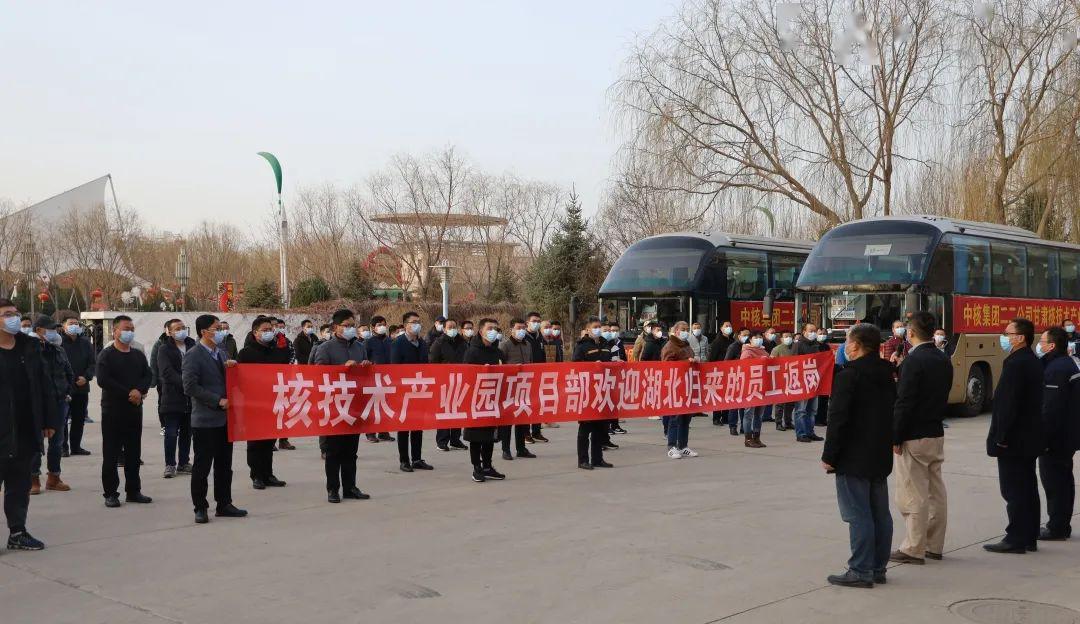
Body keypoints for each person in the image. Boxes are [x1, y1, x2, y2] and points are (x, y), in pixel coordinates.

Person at [821, 323, 896, 588]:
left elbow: (838, 419)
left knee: (858, 514)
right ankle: (877, 567)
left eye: (847, 341)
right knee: (879, 513)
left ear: (855, 345)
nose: (845, 347)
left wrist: (829, 455)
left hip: (853, 455)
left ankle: (861, 570)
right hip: (879, 453)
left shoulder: (848, 375)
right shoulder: (888, 372)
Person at [890, 311, 953, 565]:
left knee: (912, 492)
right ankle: (934, 544)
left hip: (913, 434)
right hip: (935, 431)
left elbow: (904, 402)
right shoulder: (942, 358)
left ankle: (914, 547)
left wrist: (896, 435)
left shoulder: (913, 361)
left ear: (911, 333)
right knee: (935, 491)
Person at [0, 299, 60, 551]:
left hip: (25, 426)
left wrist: (48, 420)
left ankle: (17, 532)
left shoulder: (30, 346)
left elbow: (45, 385)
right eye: (6, 314)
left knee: (19, 484)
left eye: (15, 313)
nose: (13, 318)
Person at [984, 318, 1045, 554]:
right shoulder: (1031, 361)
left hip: (1014, 439)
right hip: (1028, 437)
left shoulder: (1017, 364)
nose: (1004, 337)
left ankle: (1016, 537)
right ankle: (1029, 535)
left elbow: (1008, 405)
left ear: (1020, 338)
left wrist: (1001, 437)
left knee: (1014, 489)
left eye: (1007, 333)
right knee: (1027, 486)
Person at [182, 314, 247, 524]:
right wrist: (217, 401)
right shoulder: (193, 355)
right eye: (216, 328)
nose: (219, 332)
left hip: (225, 420)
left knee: (224, 464)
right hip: (205, 420)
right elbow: (190, 387)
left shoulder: (222, 352)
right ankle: (200, 507)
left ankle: (224, 503)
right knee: (202, 466)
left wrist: (234, 370)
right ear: (204, 332)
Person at [314, 309, 373, 501]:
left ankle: (350, 487)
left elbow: (365, 377)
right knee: (333, 452)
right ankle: (332, 489)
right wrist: (341, 369)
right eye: (345, 326)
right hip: (334, 406)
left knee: (351, 451)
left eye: (352, 325)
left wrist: (366, 367)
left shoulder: (359, 347)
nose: (349, 329)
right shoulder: (325, 348)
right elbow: (318, 377)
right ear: (335, 327)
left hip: (354, 405)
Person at [96, 315, 152, 508]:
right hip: (113, 411)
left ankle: (133, 491)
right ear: (115, 331)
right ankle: (111, 493)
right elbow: (103, 380)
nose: (129, 332)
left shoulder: (137, 354)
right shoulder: (107, 355)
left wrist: (140, 390)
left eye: (132, 328)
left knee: (133, 453)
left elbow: (148, 374)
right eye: (125, 328)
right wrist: (129, 392)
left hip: (134, 411)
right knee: (111, 454)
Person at [1036, 327, 1080, 541]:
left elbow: (1050, 409)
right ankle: (1061, 524)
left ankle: (1057, 527)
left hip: (1057, 437)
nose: (1040, 344)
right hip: (1067, 434)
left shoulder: (1056, 369)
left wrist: (1043, 437)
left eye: (1042, 341)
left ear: (1052, 345)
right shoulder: (1065, 363)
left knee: (1055, 481)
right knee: (1063, 479)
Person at [238, 316, 291, 490]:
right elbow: (240, 380)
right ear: (255, 332)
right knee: (255, 442)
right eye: (265, 330)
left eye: (271, 329)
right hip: (254, 403)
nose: (270, 332)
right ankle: (256, 475)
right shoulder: (245, 353)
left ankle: (268, 474)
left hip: (273, 401)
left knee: (269, 441)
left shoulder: (277, 352)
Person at [28, 315, 73, 494]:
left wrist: (68, 392)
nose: (54, 332)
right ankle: (33, 479)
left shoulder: (58, 350)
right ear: (39, 330)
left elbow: (69, 373)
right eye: (50, 329)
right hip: (37, 404)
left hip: (59, 402)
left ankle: (54, 477)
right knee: (36, 441)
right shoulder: (29, 351)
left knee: (57, 442)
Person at [391, 311, 433, 472]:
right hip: (404, 391)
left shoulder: (422, 343)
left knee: (417, 426)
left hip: (419, 390)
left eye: (418, 321)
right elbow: (394, 368)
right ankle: (404, 460)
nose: (417, 324)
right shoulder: (398, 343)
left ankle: (417, 458)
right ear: (405, 325)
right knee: (404, 427)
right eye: (413, 322)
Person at [463, 318, 505, 482]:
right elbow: (466, 376)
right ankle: (477, 467)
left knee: (490, 436)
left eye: (495, 328)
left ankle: (488, 466)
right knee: (476, 436)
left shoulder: (497, 352)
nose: (493, 331)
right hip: (476, 400)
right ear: (481, 331)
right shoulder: (472, 351)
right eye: (489, 328)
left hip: (493, 399)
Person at [156, 318, 195, 479]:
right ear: (170, 332)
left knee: (187, 433)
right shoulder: (164, 349)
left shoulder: (193, 345)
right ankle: (170, 464)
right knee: (171, 433)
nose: (181, 330)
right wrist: (187, 384)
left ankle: (184, 463)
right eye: (177, 328)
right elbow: (166, 373)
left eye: (183, 327)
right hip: (172, 397)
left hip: (191, 399)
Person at [573, 318, 614, 470]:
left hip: (603, 391)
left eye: (599, 327)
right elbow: (576, 367)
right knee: (585, 428)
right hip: (587, 392)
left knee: (600, 428)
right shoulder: (582, 346)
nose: (598, 329)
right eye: (595, 327)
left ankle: (597, 459)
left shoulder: (605, 344)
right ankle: (583, 460)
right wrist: (591, 366)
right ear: (588, 330)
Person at [498, 318, 537, 460]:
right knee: (507, 421)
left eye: (523, 328)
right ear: (511, 330)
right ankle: (506, 449)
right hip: (509, 387)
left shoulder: (528, 345)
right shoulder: (504, 345)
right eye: (518, 328)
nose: (521, 330)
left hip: (524, 387)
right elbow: (500, 367)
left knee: (522, 419)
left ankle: (521, 448)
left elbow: (531, 363)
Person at [430, 319, 469, 452]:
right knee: (445, 411)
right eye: (449, 327)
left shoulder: (462, 342)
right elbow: (432, 362)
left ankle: (455, 439)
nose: (452, 329)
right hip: (444, 382)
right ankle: (442, 440)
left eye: (454, 326)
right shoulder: (438, 343)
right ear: (444, 329)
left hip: (460, 381)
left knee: (458, 410)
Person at [58, 313, 94, 456]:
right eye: (71, 323)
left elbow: (92, 364)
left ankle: (76, 446)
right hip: (65, 387)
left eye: (76, 323)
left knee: (79, 419)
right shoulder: (59, 342)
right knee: (63, 418)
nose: (74, 326)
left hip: (81, 386)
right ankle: (63, 447)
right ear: (63, 326)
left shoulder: (86, 343)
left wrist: (86, 377)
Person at [662, 322, 699, 459]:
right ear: (676, 331)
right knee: (674, 418)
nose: (685, 332)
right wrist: (685, 362)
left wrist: (694, 361)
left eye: (687, 330)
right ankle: (672, 446)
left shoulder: (686, 345)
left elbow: (690, 359)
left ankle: (683, 446)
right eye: (683, 330)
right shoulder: (670, 346)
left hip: (687, 386)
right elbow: (667, 366)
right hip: (675, 387)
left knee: (686, 418)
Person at [794, 323, 828, 443]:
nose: (813, 333)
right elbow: (794, 364)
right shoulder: (798, 345)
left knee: (812, 410)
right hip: (802, 382)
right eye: (811, 330)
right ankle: (801, 433)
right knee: (801, 410)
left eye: (815, 330)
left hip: (814, 381)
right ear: (804, 332)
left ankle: (810, 432)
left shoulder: (816, 345)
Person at [363, 315, 394, 443]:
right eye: (379, 325)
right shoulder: (368, 342)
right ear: (373, 328)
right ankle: (370, 432)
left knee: (385, 405)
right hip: (373, 378)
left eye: (384, 324)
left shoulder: (389, 341)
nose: (382, 327)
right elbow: (364, 358)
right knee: (373, 406)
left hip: (387, 377)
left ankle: (383, 431)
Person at [739, 330, 770, 449]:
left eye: (760, 337)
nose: (759, 339)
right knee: (749, 414)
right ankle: (748, 438)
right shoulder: (747, 352)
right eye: (756, 337)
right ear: (750, 339)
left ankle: (757, 437)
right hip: (750, 386)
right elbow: (744, 368)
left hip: (762, 386)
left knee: (759, 414)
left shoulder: (763, 351)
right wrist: (759, 362)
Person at [523, 311, 550, 443]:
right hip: (527, 376)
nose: (537, 324)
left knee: (538, 403)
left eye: (539, 321)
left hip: (539, 375)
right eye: (534, 321)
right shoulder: (524, 337)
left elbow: (543, 355)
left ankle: (537, 431)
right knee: (527, 404)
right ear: (527, 322)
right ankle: (526, 433)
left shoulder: (540, 338)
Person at [148, 319, 171, 436]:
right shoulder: (159, 344)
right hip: (163, 381)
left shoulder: (185, 343)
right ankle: (164, 425)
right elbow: (153, 363)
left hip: (181, 381)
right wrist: (153, 381)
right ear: (166, 330)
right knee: (163, 403)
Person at [770, 332, 796, 431]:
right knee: (780, 402)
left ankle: (788, 422)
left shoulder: (795, 348)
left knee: (790, 402)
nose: (788, 338)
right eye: (786, 337)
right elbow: (771, 363)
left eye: (790, 336)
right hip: (780, 378)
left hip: (792, 377)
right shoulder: (776, 349)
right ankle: (778, 423)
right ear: (781, 339)